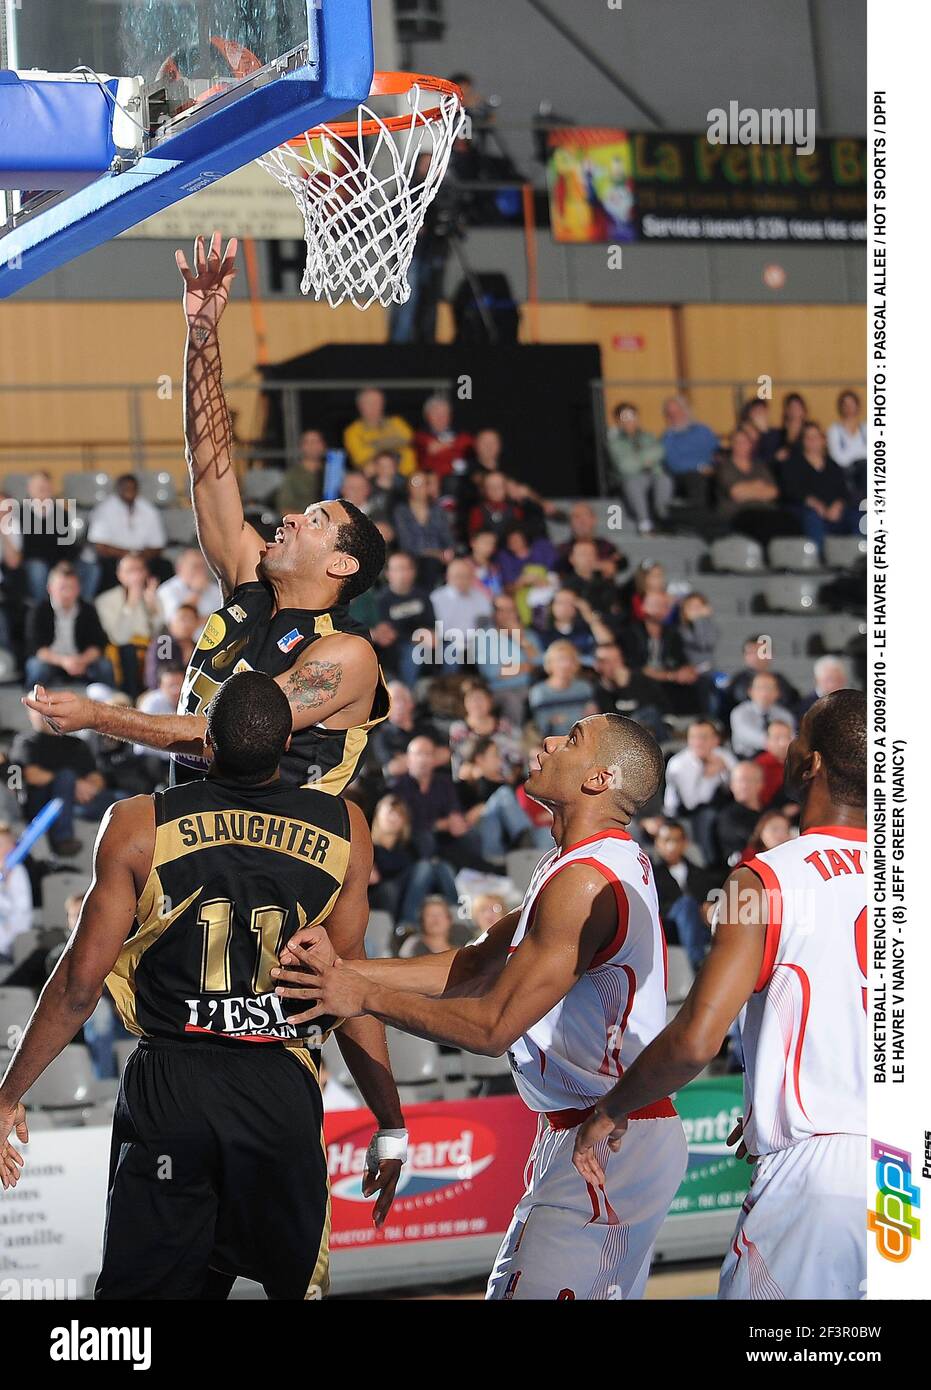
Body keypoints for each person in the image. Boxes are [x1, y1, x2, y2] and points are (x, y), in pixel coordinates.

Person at [0, 672, 405, 1299]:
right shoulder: (346, 828)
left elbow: (80, 986)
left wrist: (8, 1095)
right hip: (280, 1082)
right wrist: (390, 1122)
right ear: (287, 748)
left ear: (204, 742)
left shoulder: (137, 823)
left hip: (173, 1082)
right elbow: (348, 988)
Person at [274, 713, 688, 1301]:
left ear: (600, 779)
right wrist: (340, 971)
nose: (546, 741)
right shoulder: (577, 863)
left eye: (571, 740)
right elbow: (473, 966)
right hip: (602, 1131)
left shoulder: (586, 881)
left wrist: (360, 995)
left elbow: (494, 1024)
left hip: (608, 1139)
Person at [24, 234, 390, 795]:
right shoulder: (250, 578)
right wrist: (202, 333)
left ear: (341, 565)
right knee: (122, 832)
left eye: (314, 519)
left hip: (281, 844)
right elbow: (209, 462)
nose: (291, 517)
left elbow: (231, 734)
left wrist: (101, 715)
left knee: (126, 825)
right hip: (198, 818)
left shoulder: (347, 652)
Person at [573, 690, 867, 1301]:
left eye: (799, 736)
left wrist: (611, 1108)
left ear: (810, 764)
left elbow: (696, 1039)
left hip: (813, 1177)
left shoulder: (761, 877)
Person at [9, 703, 128, 859]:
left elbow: (95, 776)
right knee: (66, 776)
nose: (44, 715)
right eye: (38, 711)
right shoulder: (25, 741)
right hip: (43, 804)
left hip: (79, 802)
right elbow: (32, 776)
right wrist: (73, 783)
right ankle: (62, 839)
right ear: (30, 713)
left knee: (123, 799)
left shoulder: (76, 743)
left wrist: (87, 787)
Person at [24, 561, 114, 690]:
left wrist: (81, 660)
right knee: (36, 667)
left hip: (81, 660)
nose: (66, 593)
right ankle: (33, 703)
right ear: (50, 588)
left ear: (78, 589)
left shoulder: (88, 609)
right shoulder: (38, 610)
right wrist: (64, 661)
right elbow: (35, 647)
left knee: (104, 666)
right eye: (62, 588)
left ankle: (112, 703)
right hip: (52, 660)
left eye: (71, 587)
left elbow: (98, 642)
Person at [95, 552, 165, 698]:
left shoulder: (154, 596)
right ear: (120, 575)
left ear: (146, 573)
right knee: (128, 649)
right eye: (130, 571)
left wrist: (152, 607)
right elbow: (119, 637)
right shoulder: (105, 600)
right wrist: (132, 602)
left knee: (166, 646)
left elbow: (160, 633)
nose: (136, 576)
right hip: (121, 652)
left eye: (139, 570)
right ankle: (130, 697)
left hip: (149, 649)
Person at [780, 422, 860, 548]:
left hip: (834, 511)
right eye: (808, 437)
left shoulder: (833, 465)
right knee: (812, 517)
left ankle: (860, 555)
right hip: (807, 511)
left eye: (816, 437)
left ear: (823, 440)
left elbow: (844, 491)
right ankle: (820, 559)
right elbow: (790, 490)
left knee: (858, 516)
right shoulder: (792, 464)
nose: (812, 441)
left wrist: (838, 505)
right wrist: (814, 503)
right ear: (802, 441)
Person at [87, 474, 168, 591]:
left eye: (132, 488)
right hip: (115, 559)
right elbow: (100, 546)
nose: (129, 491)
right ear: (117, 489)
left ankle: (158, 602)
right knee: (104, 567)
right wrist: (128, 555)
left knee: (165, 566)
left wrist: (138, 558)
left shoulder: (149, 510)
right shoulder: (104, 509)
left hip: (143, 557)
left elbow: (158, 545)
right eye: (125, 487)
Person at [605, 402, 671, 533]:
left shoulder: (648, 436)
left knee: (664, 480)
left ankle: (662, 515)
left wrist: (636, 458)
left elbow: (660, 451)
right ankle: (644, 522)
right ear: (618, 421)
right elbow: (624, 466)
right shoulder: (614, 441)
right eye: (625, 417)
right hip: (631, 477)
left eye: (632, 416)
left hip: (654, 474)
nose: (630, 421)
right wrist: (647, 459)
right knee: (634, 484)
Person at [660, 396, 719, 508]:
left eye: (677, 411)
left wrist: (713, 467)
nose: (674, 416)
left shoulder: (703, 430)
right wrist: (700, 467)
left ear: (686, 411)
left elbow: (716, 452)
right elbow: (673, 464)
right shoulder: (667, 438)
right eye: (670, 414)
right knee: (696, 479)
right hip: (685, 475)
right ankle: (699, 517)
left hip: (710, 470)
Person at [344, 387, 416, 476]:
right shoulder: (352, 431)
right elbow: (360, 458)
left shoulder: (397, 422)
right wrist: (394, 444)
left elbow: (408, 439)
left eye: (378, 402)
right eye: (369, 403)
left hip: (407, 476)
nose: (374, 406)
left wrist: (373, 445)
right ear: (360, 405)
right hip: (375, 479)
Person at [729, 671, 796, 758]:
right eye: (760, 688)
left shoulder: (785, 715)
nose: (764, 693)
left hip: (778, 758)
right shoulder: (739, 712)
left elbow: (791, 737)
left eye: (769, 688)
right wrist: (773, 743)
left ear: (777, 693)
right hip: (747, 759)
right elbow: (748, 735)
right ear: (750, 691)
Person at [157, 547, 222, 622]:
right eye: (195, 566)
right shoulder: (167, 590)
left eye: (203, 566)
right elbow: (179, 622)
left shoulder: (215, 590)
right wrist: (197, 591)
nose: (200, 571)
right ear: (180, 568)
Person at [0, 822, 33, 965]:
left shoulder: (18, 872)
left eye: (9, 843)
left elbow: (23, 914)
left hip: (8, 946)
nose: (8, 849)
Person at [275, 429, 327, 516]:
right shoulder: (292, 475)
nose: (313, 446)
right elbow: (284, 509)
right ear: (301, 447)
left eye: (317, 442)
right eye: (308, 442)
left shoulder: (331, 473)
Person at [826, 389, 867, 498]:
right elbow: (838, 458)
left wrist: (853, 454)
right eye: (845, 404)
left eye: (851, 404)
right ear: (841, 407)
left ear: (857, 406)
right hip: (845, 474)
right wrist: (860, 456)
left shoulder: (866, 429)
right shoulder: (834, 430)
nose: (849, 408)